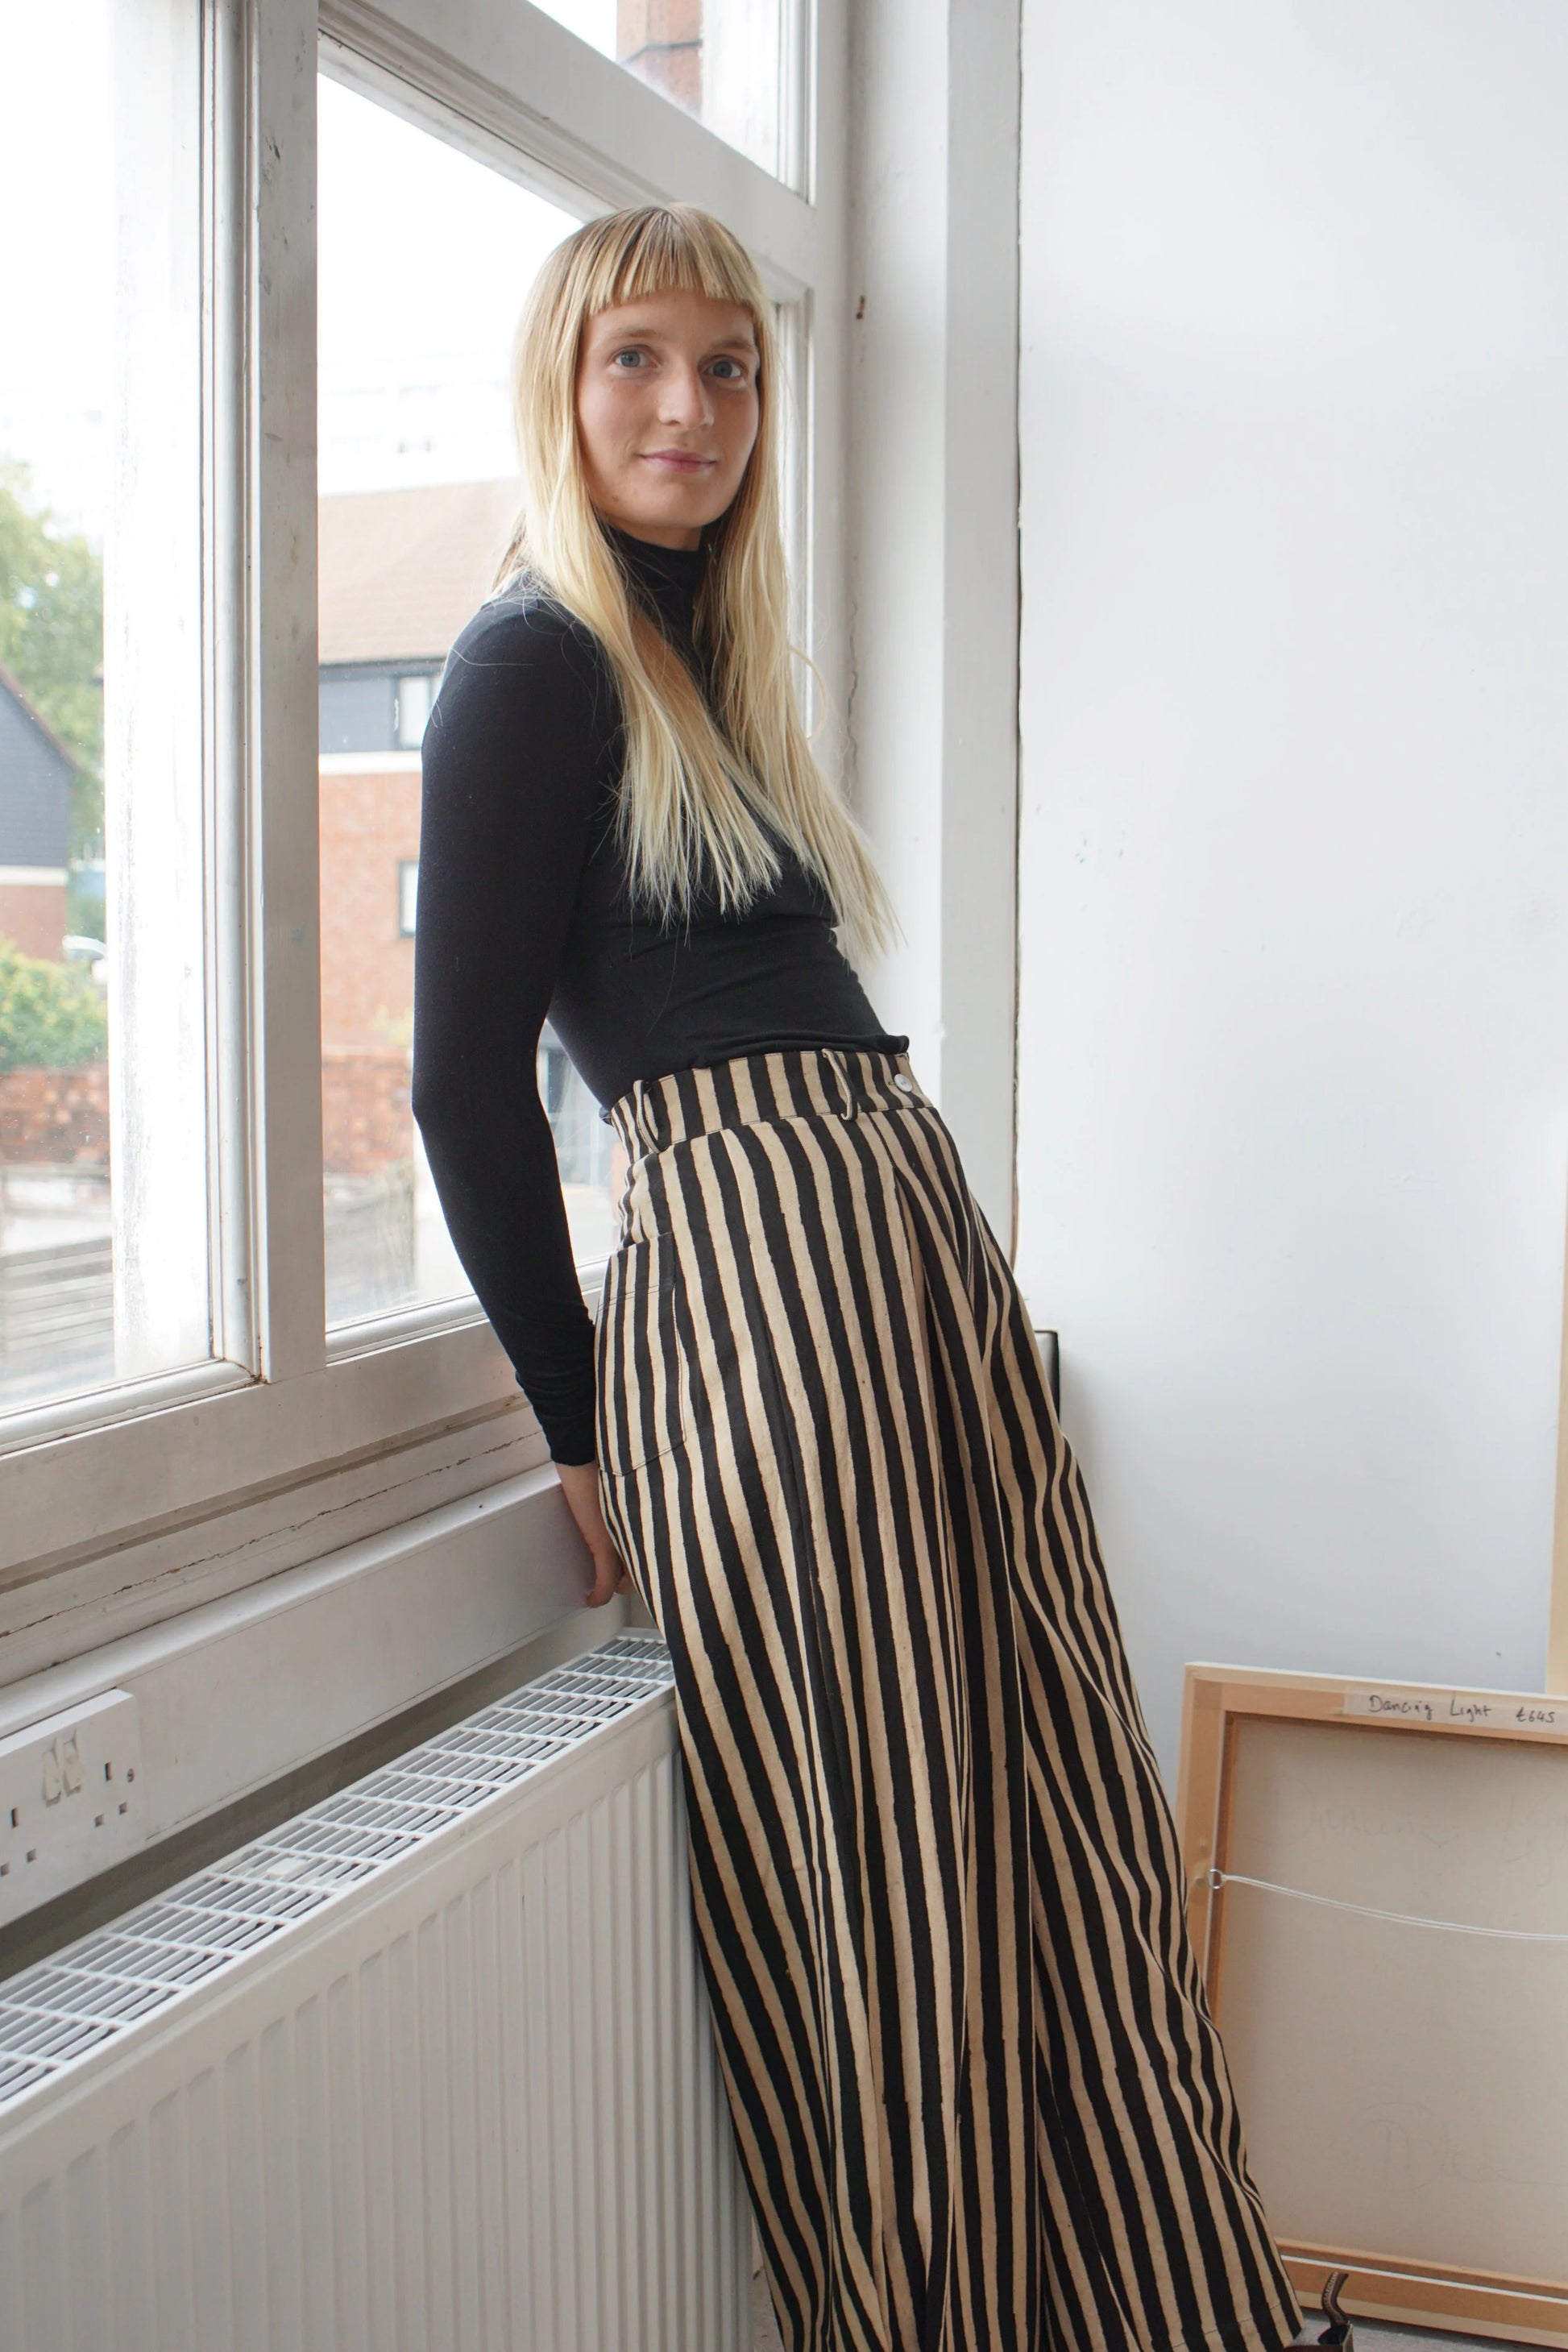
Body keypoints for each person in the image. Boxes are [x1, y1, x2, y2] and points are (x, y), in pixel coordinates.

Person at [411, 203, 1308, 2352]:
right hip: (763, 1283)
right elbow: (456, 1089)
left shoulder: (703, 662)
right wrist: (581, 1423)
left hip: (890, 1253)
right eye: (639, 359)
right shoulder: (527, 660)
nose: (689, 409)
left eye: (728, 368)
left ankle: (1157, 2308)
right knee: (892, 1872)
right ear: (560, 380)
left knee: (1048, 1805)